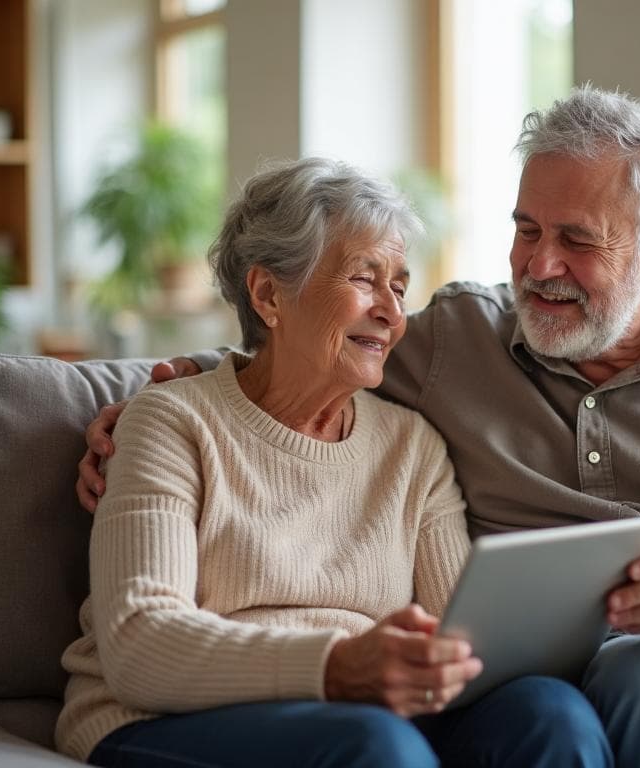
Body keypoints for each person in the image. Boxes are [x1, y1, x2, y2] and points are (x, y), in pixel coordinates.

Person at [78, 88, 640, 766]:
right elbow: (308, 346)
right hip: (639, 661)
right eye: (526, 229)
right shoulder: (459, 337)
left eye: (578, 240)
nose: (541, 266)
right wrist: (175, 385)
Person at [58, 157, 612, 768]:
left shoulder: (413, 448)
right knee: (379, 748)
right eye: (363, 280)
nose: (392, 312)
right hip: (168, 716)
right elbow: (141, 646)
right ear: (269, 294)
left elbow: (462, 637)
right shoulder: (173, 423)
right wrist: (335, 666)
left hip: (366, 714)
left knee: (549, 713)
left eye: (399, 287)